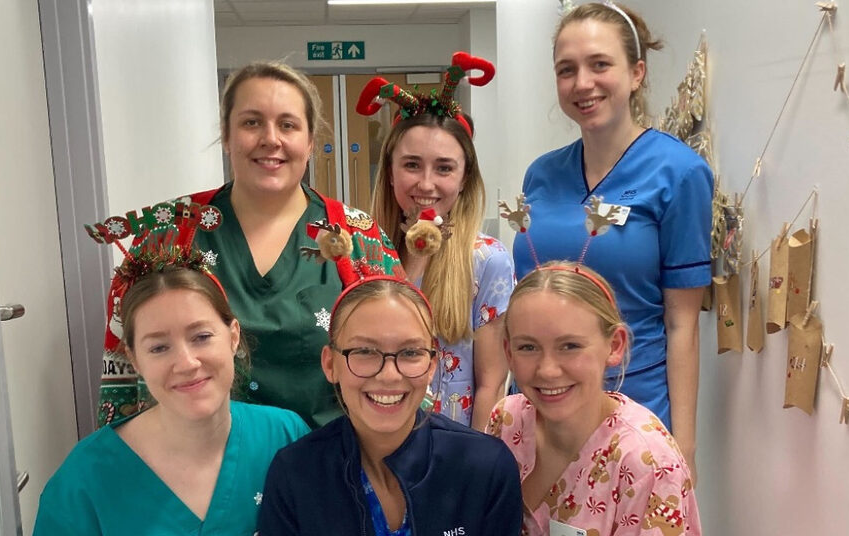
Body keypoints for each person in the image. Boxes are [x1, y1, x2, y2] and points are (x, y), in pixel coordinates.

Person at [88, 61, 403, 429]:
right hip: (196, 470)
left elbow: (402, 362)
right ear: (226, 135)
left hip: (330, 469)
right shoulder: (167, 234)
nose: (271, 138)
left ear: (310, 141)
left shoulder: (360, 241)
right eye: (252, 122)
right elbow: (124, 376)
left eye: (288, 124)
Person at [512, 2, 712, 474]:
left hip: (630, 408)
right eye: (567, 69)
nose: (583, 83)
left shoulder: (679, 174)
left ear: (637, 72)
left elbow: (682, 324)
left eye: (600, 64)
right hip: (538, 401)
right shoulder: (541, 174)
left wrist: (684, 445)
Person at [35, 251, 309, 535]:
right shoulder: (85, 481)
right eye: (159, 347)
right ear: (135, 360)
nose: (187, 363)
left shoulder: (285, 437)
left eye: (201, 337)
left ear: (233, 336)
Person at [258, 276, 522, 535]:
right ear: (330, 364)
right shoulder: (295, 474)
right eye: (364, 351)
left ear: (431, 365)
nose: (389, 375)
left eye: (410, 353)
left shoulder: (486, 468)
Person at [488, 262, 701, 535]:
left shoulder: (646, 463)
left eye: (570, 346)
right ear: (508, 352)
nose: (548, 370)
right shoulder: (506, 422)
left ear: (614, 346)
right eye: (528, 347)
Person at [365, 52, 514, 430]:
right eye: (412, 165)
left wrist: (477, 463)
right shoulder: (366, 251)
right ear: (391, 172)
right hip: (374, 442)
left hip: (453, 450)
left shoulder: (486, 260)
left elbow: (491, 383)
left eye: (444, 168)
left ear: (464, 178)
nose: (426, 184)